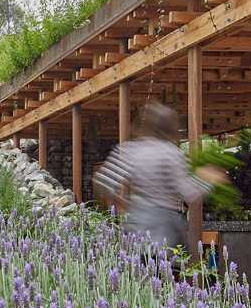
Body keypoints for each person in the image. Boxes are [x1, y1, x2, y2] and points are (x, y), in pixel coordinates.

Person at [93, 102, 228, 251]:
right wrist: (206, 179)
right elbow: (190, 194)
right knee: (163, 270)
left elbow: (103, 182)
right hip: (165, 228)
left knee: (137, 270)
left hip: (136, 224)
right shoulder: (171, 153)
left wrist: (122, 205)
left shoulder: (130, 150)